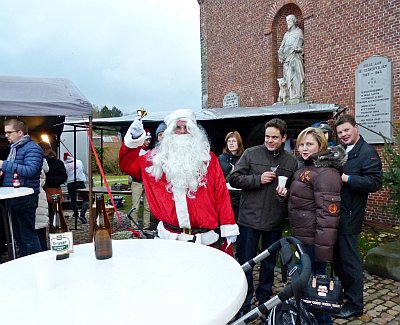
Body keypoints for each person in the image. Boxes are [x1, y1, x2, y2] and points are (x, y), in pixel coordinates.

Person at [119, 108, 239, 245]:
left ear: (195, 131)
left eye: (187, 127)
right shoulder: (157, 160)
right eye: (177, 127)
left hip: (204, 240)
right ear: (169, 132)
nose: (182, 131)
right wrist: (132, 141)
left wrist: (228, 225)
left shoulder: (208, 159)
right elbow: (128, 165)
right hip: (168, 238)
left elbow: (221, 194)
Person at [229, 118, 297, 316]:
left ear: (284, 138)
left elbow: (292, 190)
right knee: (246, 262)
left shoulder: (291, 162)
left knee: (268, 263)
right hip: (249, 219)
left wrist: (285, 194)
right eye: (267, 136)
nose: (270, 141)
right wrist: (257, 179)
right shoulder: (251, 153)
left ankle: (265, 298)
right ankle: (244, 301)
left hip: (274, 220)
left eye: (275, 137)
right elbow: (233, 179)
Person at [282, 127, 346, 325]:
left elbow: (328, 216)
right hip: (303, 238)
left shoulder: (326, 173)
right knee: (308, 288)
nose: (304, 148)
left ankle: (323, 321)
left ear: (321, 145)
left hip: (314, 243)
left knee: (318, 291)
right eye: (301, 144)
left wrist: (322, 252)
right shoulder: (306, 168)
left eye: (309, 144)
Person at [333, 114, 383, 319]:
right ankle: (342, 295)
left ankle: (354, 304)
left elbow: (375, 182)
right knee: (338, 259)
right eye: (340, 133)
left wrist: (348, 178)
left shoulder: (367, 152)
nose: (343, 135)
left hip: (351, 214)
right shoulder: (341, 151)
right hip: (336, 213)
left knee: (350, 261)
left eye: (346, 130)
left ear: (356, 128)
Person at [0, 118, 43, 256]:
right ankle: (25, 264)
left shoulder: (33, 148)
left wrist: (3, 165)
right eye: (5, 133)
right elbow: (16, 170)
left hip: (26, 197)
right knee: (18, 235)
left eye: (9, 133)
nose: (6, 136)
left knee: (27, 235)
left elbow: (31, 171)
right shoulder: (14, 149)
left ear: (20, 132)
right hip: (14, 196)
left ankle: (35, 264)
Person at [218, 131, 244, 221]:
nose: (231, 143)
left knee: (238, 220)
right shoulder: (221, 158)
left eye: (233, 141)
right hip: (225, 194)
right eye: (229, 141)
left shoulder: (245, 158)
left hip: (240, 194)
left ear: (239, 143)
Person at [278, 14, 304, 102]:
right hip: (286, 59)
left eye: (288, 21)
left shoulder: (299, 32)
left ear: (293, 21)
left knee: (295, 74)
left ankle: (297, 93)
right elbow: (281, 47)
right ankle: (288, 95)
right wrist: (280, 54)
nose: (287, 23)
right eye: (286, 21)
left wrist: (299, 50)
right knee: (287, 77)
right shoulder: (286, 35)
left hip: (295, 57)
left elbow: (302, 46)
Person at [38, 142, 68, 219]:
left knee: (55, 213)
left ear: (49, 149)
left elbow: (63, 176)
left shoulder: (58, 163)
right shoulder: (37, 161)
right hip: (41, 191)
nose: (44, 151)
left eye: (46, 148)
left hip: (53, 190)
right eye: (42, 149)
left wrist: (50, 181)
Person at [129, 129, 152, 230]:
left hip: (147, 183)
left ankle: (146, 227)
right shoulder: (135, 152)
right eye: (146, 140)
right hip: (137, 182)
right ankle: (134, 228)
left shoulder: (150, 152)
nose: (148, 142)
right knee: (135, 207)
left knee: (147, 207)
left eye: (149, 140)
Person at [64, 152, 89, 224]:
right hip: (80, 182)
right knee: (86, 199)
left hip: (71, 183)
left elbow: (65, 174)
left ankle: (75, 213)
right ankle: (82, 214)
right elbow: (83, 170)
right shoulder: (79, 162)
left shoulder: (65, 165)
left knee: (73, 199)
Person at [35, 158, 49, 251]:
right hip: (40, 196)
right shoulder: (41, 162)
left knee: (37, 231)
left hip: (35, 196)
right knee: (40, 230)